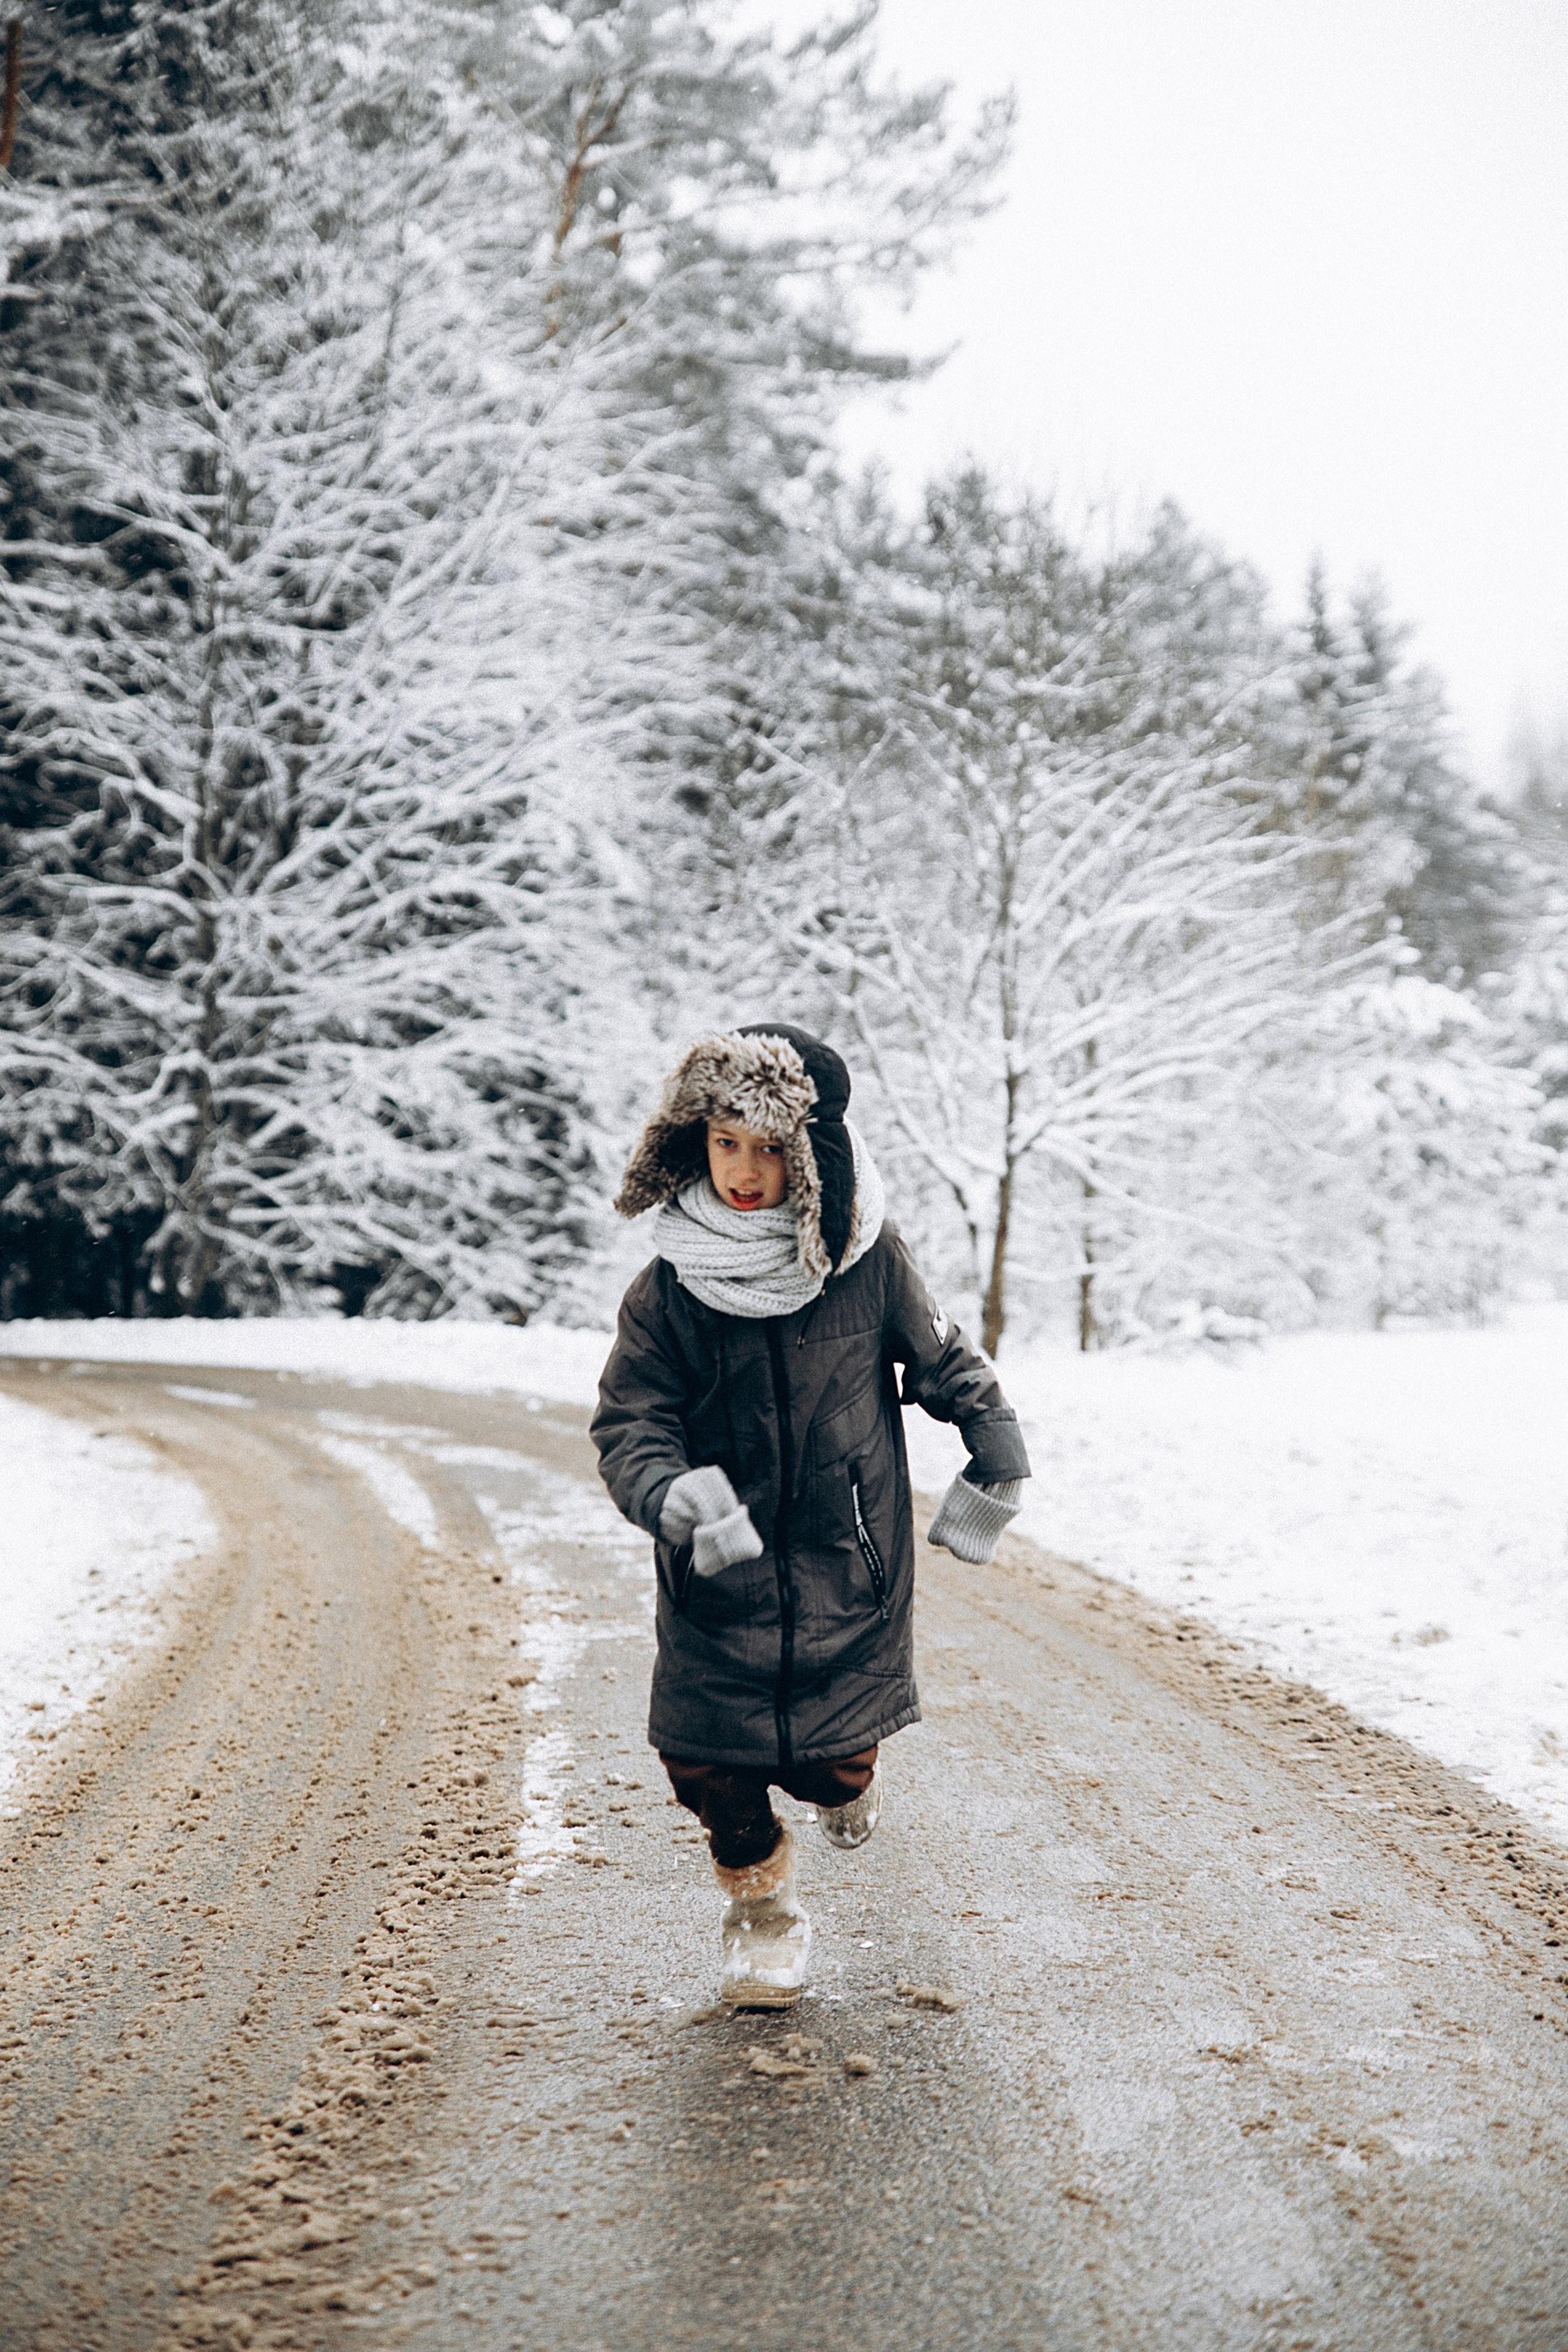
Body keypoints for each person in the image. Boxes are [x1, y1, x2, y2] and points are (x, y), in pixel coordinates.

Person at [590, 1023, 1031, 2007]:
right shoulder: (670, 1290)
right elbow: (631, 1422)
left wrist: (992, 1438)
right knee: (710, 1769)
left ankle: (845, 1788)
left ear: (814, 1155)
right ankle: (762, 1919)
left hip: (848, 1564)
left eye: (772, 1149)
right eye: (726, 1143)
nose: (746, 1172)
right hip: (717, 1569)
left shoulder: (868, 1265)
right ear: (694, 1143)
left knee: (833, 1765)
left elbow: (943, 1360)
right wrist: (670, 1493)